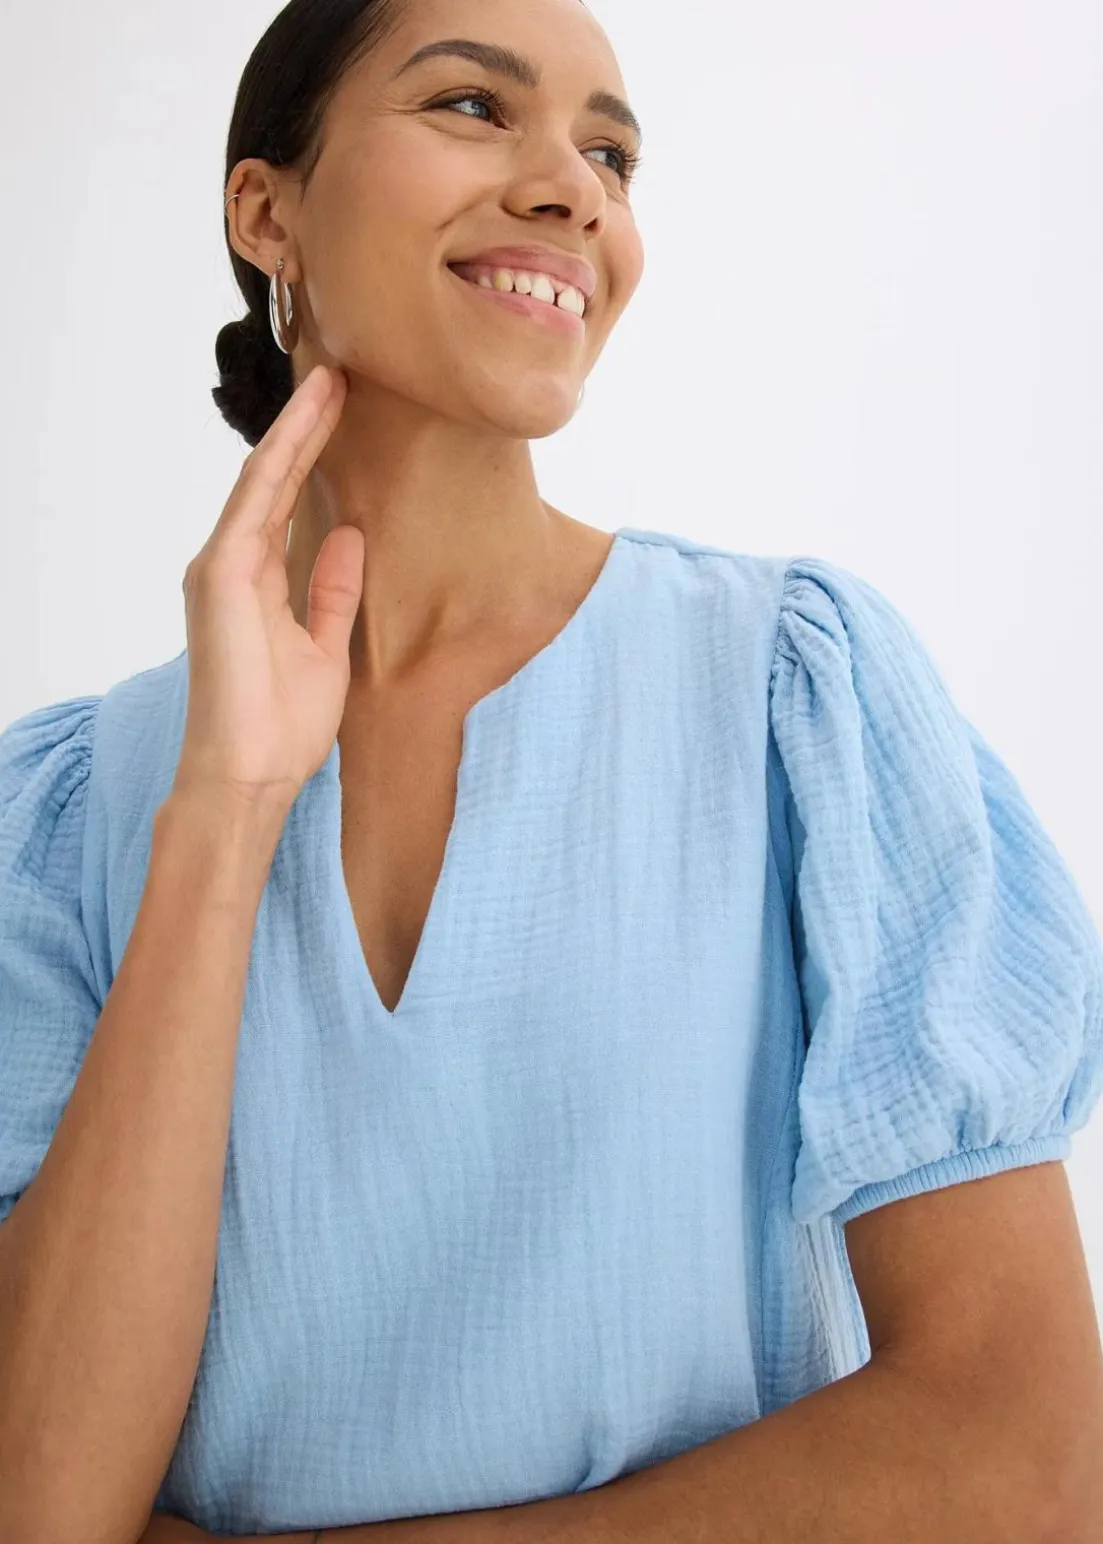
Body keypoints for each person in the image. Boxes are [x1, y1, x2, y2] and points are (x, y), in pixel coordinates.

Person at [1, 0, 1101, 1539]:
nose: (572, 189)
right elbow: (43, 1499)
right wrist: (224, 815)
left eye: (610, 154)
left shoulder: (790, 694)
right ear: (266, 211)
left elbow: (1022, 1455)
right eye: (471, 105)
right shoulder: (66, 818)